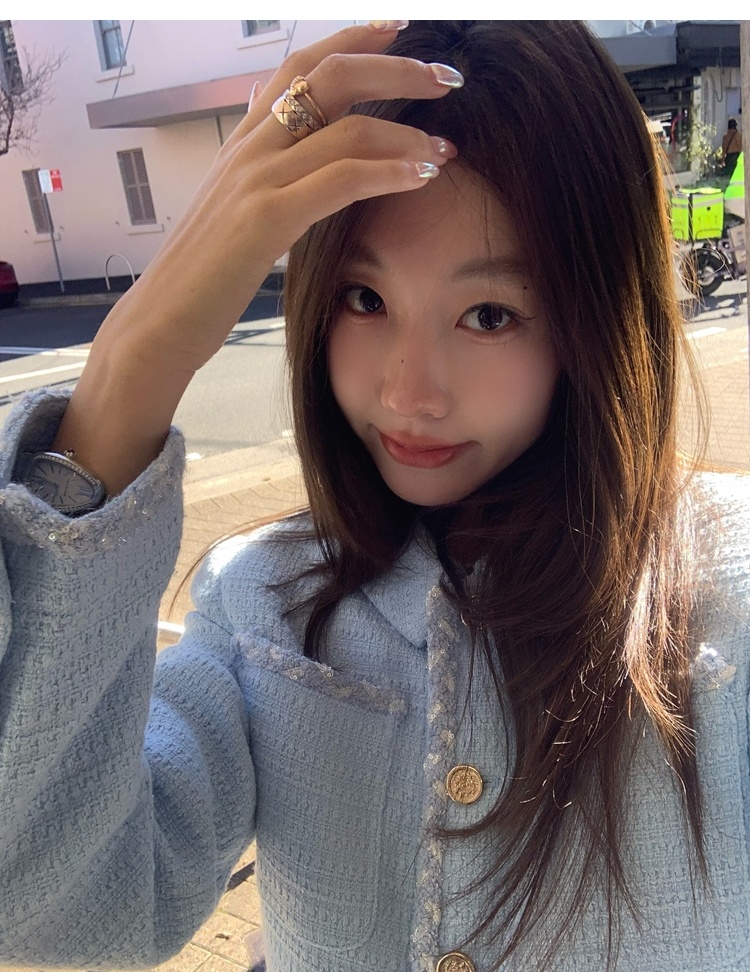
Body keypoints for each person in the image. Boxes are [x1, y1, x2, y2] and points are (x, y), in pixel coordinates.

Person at [0, 20, 748, 972]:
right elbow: (54, 906)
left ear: (597, 323)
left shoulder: (727, 593)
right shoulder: (261, 600)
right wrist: (131, 371)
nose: (407, 395)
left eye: (489, 315)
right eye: (364, 299)